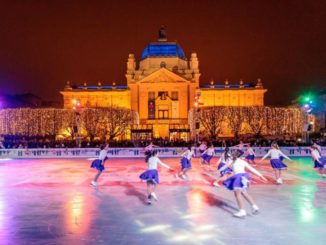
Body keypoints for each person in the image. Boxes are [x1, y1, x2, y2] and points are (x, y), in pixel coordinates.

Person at [221, 151, 267, 218]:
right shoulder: (240, 161)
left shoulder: (233, 161)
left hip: (238, 178)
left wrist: (261, 176)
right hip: (243, 177)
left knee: (237, 194)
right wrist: (260, 176)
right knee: (244, 193)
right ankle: (254, 207)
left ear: (235, 156)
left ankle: (242, 211)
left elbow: (225, 166)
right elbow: (251, 169)